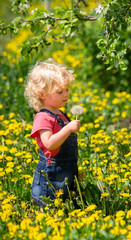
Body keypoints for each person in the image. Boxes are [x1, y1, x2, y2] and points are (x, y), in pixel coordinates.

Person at [25, 59, 81, 207]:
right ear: (42, 94)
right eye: (60, 91)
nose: (66, 94)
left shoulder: (60, 113)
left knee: (64, 202)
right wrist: (68, 129)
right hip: (51, 173)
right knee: (48, 203)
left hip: (66, 170)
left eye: (67, 89)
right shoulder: (43, 117)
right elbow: (49, 144)